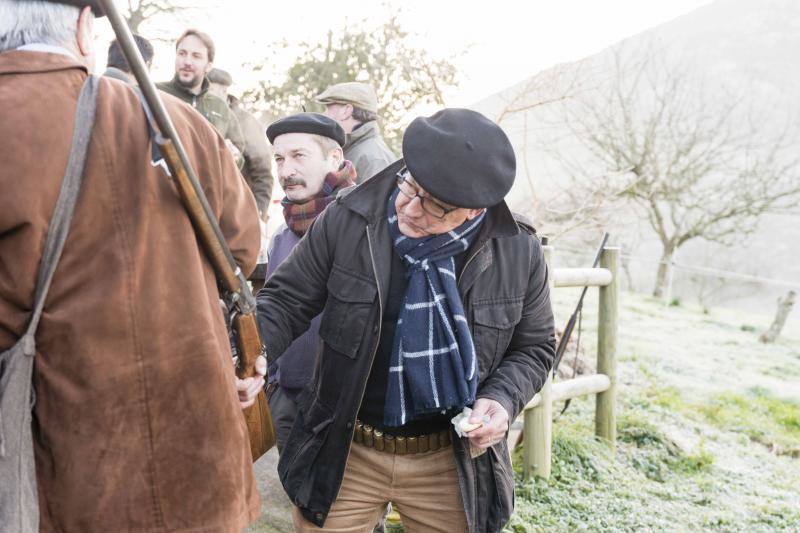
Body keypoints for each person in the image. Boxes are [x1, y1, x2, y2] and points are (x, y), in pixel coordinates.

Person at [0, 1, 263, 530]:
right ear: (82, 29)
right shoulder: (180, 121)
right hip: (202, 481)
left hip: (64, 486)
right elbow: (241, 250)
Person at [257, 108, 556, 532]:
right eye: (409, 187)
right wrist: (256, 352)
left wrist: (503, 399)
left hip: (451, 461)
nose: (410, 209)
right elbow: (285, 299)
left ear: (474, 212)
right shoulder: (348, 218)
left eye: (435, 207)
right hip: (346, 448)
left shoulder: (517, 251)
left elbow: (536, 347)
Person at [262, 112, 356, 453]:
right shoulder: (281, 236)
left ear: (334, 158)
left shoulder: (364, 227)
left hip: (345, 407)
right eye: (279, 159)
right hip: (286, 398)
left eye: (299, 156)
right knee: (297, 503)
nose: (286, 171)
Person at [157, 28, 245, 158]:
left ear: (208, 66)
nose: (187, 61)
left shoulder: (220, 107)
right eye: (182, 53)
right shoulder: (154, 93)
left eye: (196, 56)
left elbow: (238, 151)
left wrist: (234, 156)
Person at [208, 67, 274, 222]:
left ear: (224, 93)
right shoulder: (198, 114)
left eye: (210, 90)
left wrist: (257, 215)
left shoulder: (246, 122)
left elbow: (263, 174)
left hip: (239, 214)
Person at [316, 81, 395, 183]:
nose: (324, 114)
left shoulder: (375, 159)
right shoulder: (349, 148)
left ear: (346, 111)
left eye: (328, 109)